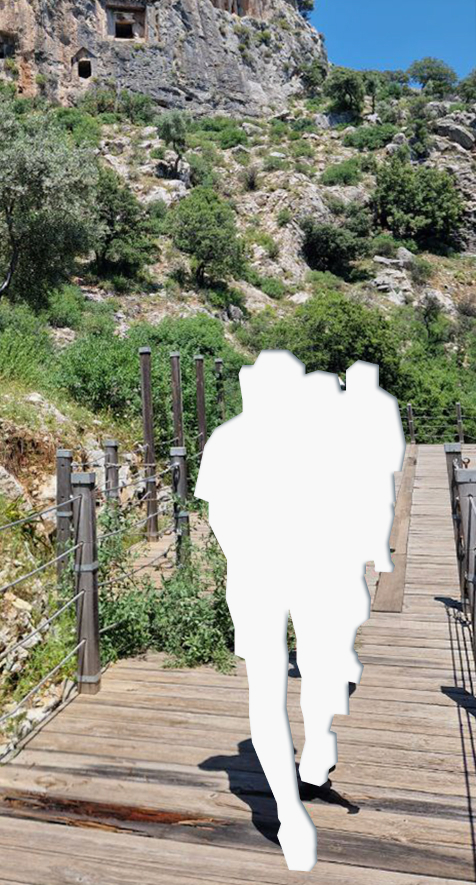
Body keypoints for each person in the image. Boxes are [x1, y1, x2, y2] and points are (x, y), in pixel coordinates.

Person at [194, 350, 404, 871]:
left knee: (268, 689)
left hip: (256, 577)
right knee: (313, 669)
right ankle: (310, 763)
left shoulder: (226, 439)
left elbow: (219, 521)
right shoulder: (320, 436)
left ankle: (291, 807)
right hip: (310, 572)